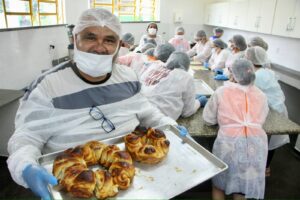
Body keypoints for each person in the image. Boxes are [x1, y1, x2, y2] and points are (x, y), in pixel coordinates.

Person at [7, 8, 188, 200]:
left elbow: (148, 114)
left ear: (119, 45)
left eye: (109, 40)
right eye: (90, 37)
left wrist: (172, 127)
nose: (99, 47)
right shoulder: (47, 86)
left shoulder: (128, 77)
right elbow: (26, 137)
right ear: (75, 39)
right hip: (72, 182)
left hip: (136, 173)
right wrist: (24, 166)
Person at [203, 59, 269, 200]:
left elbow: (208, 120)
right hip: (255, 145)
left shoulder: (222, 92)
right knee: (241, 187)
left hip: (229, 144)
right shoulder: (261, 95)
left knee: (219, 184)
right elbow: (261, 119)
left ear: (233, 75)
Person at [245, 46, 290, 177]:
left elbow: (250, 94)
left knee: (267, 140)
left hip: (271, 111)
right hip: (277, 108)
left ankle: (263, 168)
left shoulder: (257, 76)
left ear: (250, 59)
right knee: (270, 141)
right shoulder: (265, 71)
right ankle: (265, 167)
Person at [141, 52, 207, 120]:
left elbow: (161, 90)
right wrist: (198, 102)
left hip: (136, 111)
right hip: (156, 120)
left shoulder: (154, 67)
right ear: (186, 65)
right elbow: (187, 112)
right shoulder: (184, 76)